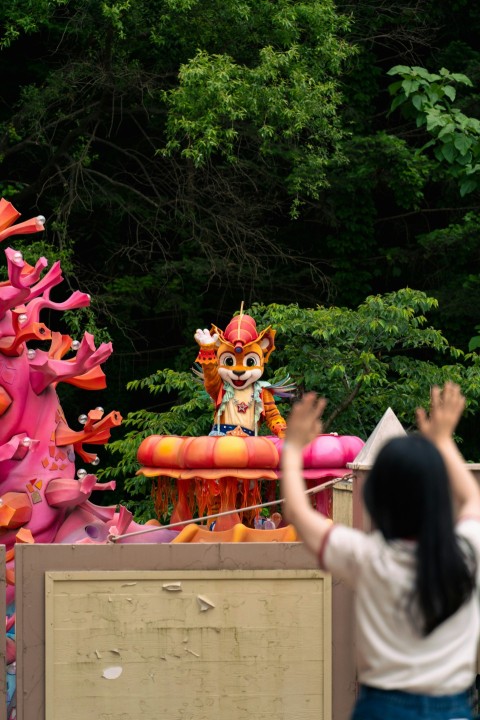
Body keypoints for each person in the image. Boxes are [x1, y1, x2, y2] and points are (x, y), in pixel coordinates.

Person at [281, 382, 480, 720]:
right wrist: (444, 441)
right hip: (453, 710)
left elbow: (298, 513)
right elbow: (473, 499)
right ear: (440, 495)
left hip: (383, 709)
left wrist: (292, 448)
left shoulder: (369, 557)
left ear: (376, 500)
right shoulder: (468, 551)